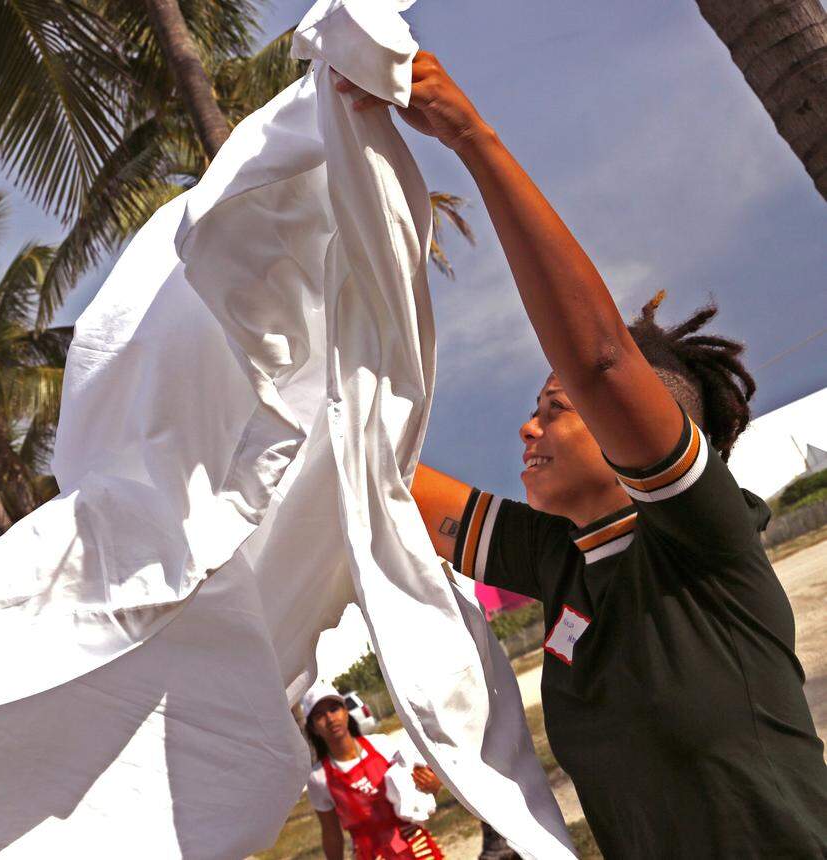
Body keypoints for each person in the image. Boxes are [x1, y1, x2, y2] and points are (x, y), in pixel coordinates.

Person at [336, 53, 827, 856]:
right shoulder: (566, 563)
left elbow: (599, 359)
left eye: (554, 411)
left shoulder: (703, 543)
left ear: (647, 424)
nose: (528, 431)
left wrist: (470, 136)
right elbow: (372, 475)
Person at [302, 683, 445, 860]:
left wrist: (434, 783)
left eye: (334, 709)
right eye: (319, 715)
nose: (330, 718)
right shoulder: (318, 778)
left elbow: (420, 786)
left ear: (346, 712)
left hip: (417, 848)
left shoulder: (382, 744)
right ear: (313, 728)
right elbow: (332, 835)